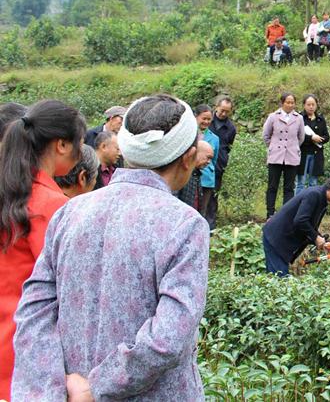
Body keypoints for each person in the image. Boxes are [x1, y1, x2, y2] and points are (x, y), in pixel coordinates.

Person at [12, 94, 209, 401]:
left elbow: (33, 311)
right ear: (188, 157)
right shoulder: (185, 224)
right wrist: (97, 386)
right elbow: (169, 337)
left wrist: (52, 389)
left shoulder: (70, 211)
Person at [0, 100, 85, 400]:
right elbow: (68, 291)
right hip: (26, 349)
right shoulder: (51, 205)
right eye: (80, 142)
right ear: (61, 144)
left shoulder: (11, 193)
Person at [261, 175, 330, 276]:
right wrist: (316, 237)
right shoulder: (314, 194)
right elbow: (300, 220)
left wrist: (325, 244)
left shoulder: (321, 198)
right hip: (276, 238)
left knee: (277, 278)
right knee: (280, 279)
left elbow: (309, 226)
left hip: (281, 239)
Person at [262, 92, 305, 219]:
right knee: (272, 186)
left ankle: (285, 214)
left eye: (292, 102)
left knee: (289, 187)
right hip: (276, 156)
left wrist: (292, 147)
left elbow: (300, 137)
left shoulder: (299, 118)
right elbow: (266, 135)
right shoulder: (273, 116)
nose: (290, 105)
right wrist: (274, 146)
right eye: (288, 102)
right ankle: (270, 213)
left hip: (291, 156)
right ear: (282, 103)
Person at [208, 96, 237, 230]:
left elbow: (229, 146)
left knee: (213, 196)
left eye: (227, 111)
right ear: (216, 107)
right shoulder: (207, 120)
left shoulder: (231, 128)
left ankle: (211, 227)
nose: (224, 114)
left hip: (218, 165)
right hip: (202, 163)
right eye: (222, 110)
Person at [296, 94, 329, 195]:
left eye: (313, 104)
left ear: (316, 105)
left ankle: (311, 205)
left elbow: (327, 137)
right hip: (303, 154)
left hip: (316, 154)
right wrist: (311, 138)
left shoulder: (320, 119)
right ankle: (297, 205)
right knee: (300, 182)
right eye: (308, 104)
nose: (311, 107)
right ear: (304, 105)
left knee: (313, 183)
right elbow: (296, 136)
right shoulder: (299, 118)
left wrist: (320, 139)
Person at [195, 104, 219, 226]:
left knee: (202, 211)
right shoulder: (189, 135)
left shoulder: (215, 138)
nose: (206, 122)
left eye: (209, 119)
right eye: (203, 118)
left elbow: (213, 160)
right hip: (190, 177)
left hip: (207, 179)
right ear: (196, 117)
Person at [175, 140, 214, 211]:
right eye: (208, 157)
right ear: (195, 153)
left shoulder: (196, 174)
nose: (209, 162)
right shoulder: (182, 173)